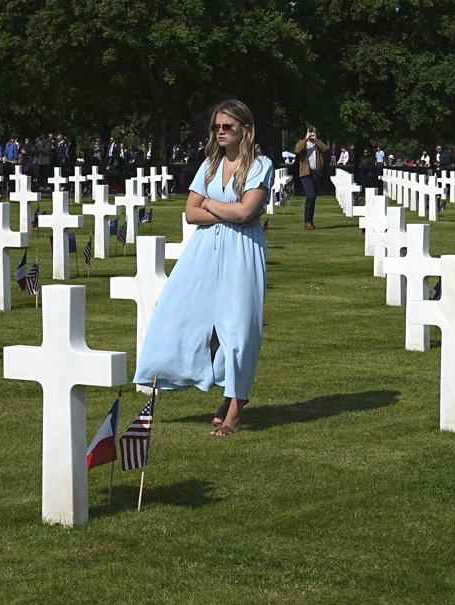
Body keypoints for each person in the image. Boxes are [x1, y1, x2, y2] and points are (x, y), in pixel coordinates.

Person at [131, 99, 273, 437]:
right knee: (186, 319)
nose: (221, 132)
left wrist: (209, 202)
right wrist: (223, 206)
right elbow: (190, 213)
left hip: (242, 250)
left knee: (238, 329)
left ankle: (235, 411)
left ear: (245, 130)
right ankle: (223, 388)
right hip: (203, 251)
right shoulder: (210, 165)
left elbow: (245, 213)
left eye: (228, 127)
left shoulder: (260, 165)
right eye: (217, 127)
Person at [293, 125, 330, 230]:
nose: (311, 134)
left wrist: (316, 140)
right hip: (305, 173)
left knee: (312, 199)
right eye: (310, 132)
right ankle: (308, 221)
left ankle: (309, 221)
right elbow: (297, 149)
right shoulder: (302, 143)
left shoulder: (318, 144)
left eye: (313, 132)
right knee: (311, 195)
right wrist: (306, 138)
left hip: (316, 173)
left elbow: (326, 149)